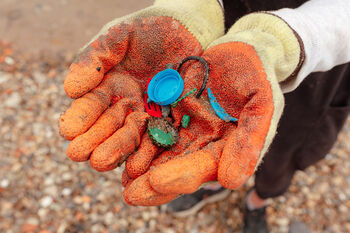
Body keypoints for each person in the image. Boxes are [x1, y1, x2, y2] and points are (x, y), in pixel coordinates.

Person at [59, 0, 350, 232]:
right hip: (221, 39)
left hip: (319, 69)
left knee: (284, 156)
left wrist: (284, 41)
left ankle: (258, 201)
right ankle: (211, 186)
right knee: (217, 143)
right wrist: (191, 9)